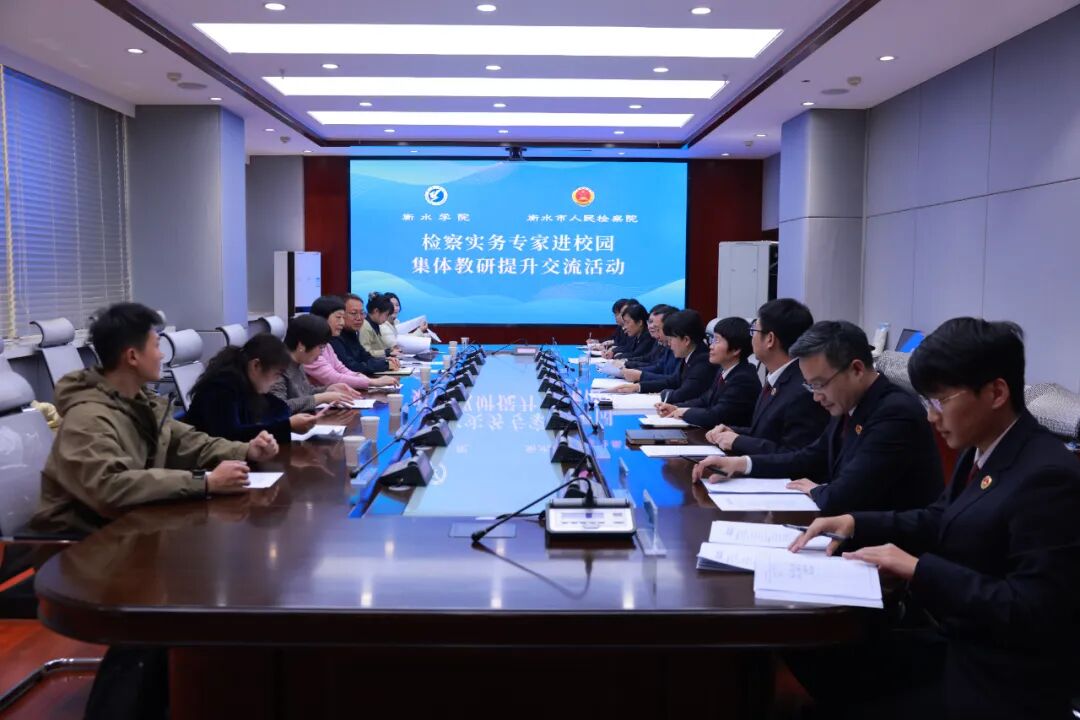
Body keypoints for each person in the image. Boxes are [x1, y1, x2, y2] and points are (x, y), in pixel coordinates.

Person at [787, 318, 1080, 720]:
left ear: (996, 392)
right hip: (957, 644)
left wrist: (919, 570)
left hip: (1001, 679)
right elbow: (941, 517)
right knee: (813, 657)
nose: (930, 417)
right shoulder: (982, 448)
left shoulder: (1048, 476)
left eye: (940, 401)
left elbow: (1032, 610)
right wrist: (856, 523)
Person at [30, 302, 278, 536]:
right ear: (132, 356)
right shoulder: (88, 417)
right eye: (156, 346)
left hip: (129, 528)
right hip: (81, 544)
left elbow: (185, 442)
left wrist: (245, 450)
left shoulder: (140, 402)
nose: (161, 355)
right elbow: (110, 488)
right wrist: (205, 482)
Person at [692, 320, 942, 515]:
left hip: (885, 548)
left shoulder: (894, 413)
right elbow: (811, 457)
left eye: (820, 384)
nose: (816, 396)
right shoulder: (848, 402)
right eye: (810, 386)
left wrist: (818, 490)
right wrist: (742, 464)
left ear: (856, 369)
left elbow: (844, 495)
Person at [705, 298, 829, 454]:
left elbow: (795, 454)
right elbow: (764, 434)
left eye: (754, 331)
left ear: (770, 339)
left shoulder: (802, 390)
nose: (751, 338)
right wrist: (732, 432)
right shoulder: (776, 378)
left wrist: (738, 442)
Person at [186, 334, 321, 444]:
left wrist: (283, 424)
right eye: (276, 374)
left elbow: (280, 407)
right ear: (256, 365)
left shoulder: (249, 382)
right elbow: (231, 436)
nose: (276, 381)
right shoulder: (220, 388)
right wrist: (287, 426)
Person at [655, 316, 760, 428]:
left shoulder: (743, 378)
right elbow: (705, 400)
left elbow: (715, 416)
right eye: (712, 340)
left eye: (717, 341)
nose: (711, 346)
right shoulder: (724, 370)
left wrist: (684, 412)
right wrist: (676, 408)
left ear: (735, 349)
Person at [611, 309, 717, 404]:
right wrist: (638, 387)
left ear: (686, 340)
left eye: (671, 339)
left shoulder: (702, 361)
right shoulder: (690, 354)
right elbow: (672, 381)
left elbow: (683, 394)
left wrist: (661, 394)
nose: (669, 344)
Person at [270, 313, 363, 413]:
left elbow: (306, 392)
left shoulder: (298, 362)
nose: (321, 353)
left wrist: (328, 390)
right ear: (302, 346)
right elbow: (279, 408)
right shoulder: (276, 368)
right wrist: (321, 398)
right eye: (320, 348)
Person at [306, 295, 397, 390]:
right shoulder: (311, 345)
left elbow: (343, 369)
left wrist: (370, 379)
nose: (342, 322)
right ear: (322, 318)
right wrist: (373, 382)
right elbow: (334, 377)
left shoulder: (327, 344)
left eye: (362, 313)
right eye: (338, 317)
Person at [332, 293, 398, 375]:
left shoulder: (351, 332)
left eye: (362, 313)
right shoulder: (334, 337)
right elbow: (352, 366)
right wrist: (386, 364)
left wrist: (385, 362)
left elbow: (365, 356)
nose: (359, 318)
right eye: (353, 313)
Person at [620, 305, 679, 380]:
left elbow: (674, 381)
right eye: (649, 322)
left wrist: (640, 377)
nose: (650, 327)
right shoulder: (664, 343)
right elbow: (658, 367)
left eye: (657, 328)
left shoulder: (676, 347)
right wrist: (632, 371)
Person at [359, 292, 399, 358]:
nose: (386, 319)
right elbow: (365, 353)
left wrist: (389, 351)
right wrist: (387, 352)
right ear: (376, 311)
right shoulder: (365, 327)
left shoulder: (375, 324)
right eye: (386, 315)